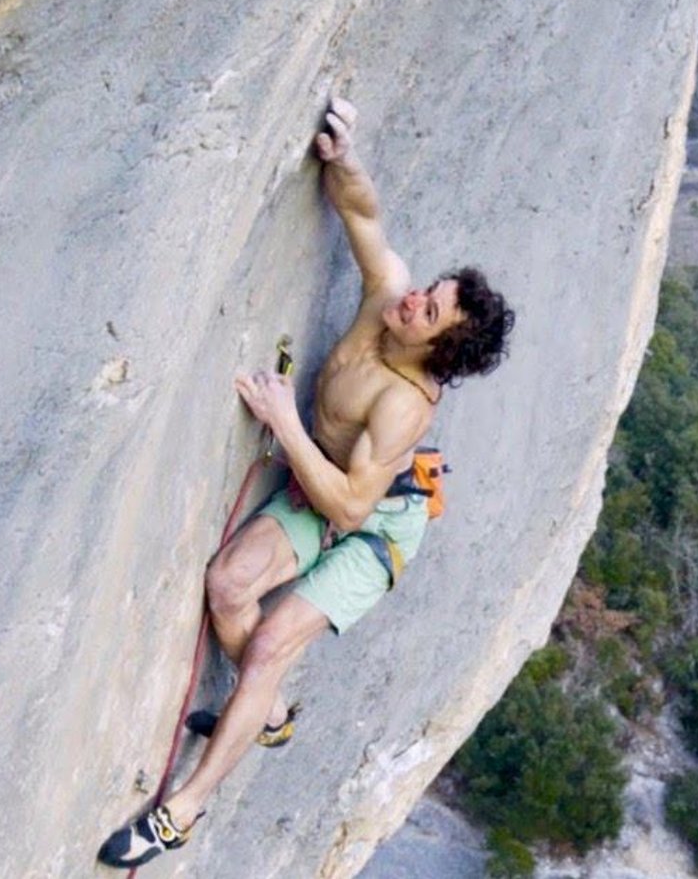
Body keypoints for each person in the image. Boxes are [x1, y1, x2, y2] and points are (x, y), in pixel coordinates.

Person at [99, 96, 515, 868]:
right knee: (227, 587)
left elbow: (354, 507)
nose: (416, 299)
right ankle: (272, 715)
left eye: (433, 311)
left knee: (266, 652)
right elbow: (363, 214)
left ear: (441, 350)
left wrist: (286, 423)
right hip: (322, 489)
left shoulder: (403, 409)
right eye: (434, 289)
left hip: (375, 528)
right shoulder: (386, 299)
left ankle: (180, 812)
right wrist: (345, 156)